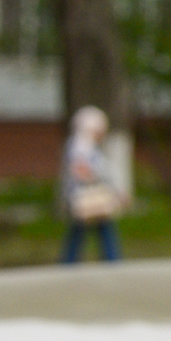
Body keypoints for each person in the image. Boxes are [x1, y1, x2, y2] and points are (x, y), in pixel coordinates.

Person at [57, 106, 126, 265]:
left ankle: (70, 262)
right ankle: (112, 260)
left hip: (85, 196)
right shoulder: (80, 144)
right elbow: (80, 169)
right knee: (96, 227)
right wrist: (103, 183)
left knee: (86, 229)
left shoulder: (84, 144)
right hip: (86, 196)